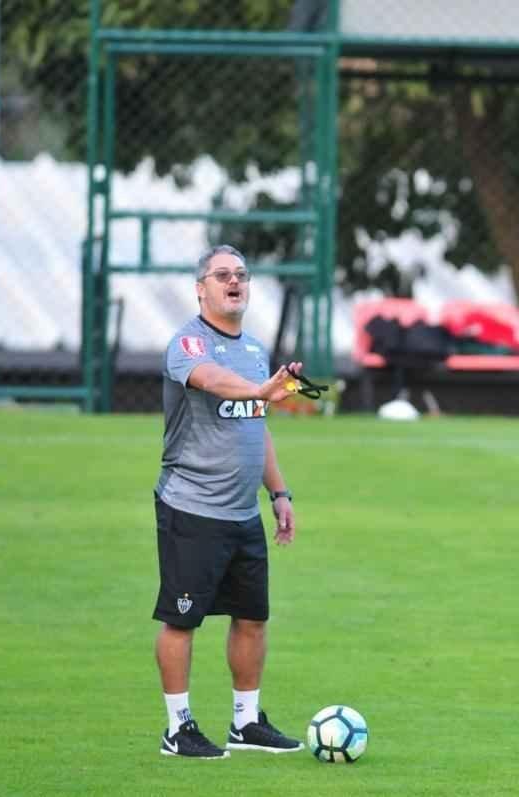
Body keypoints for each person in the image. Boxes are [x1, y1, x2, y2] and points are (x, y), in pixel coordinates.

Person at [152, 244, 304, 759]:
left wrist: (278, 492)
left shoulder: (256, 351)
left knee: (252, 617)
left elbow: (255, 429)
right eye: (222, 275)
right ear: (201, 288)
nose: (233, 282)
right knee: (181, 619)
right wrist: (262, 390)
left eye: (240, 274)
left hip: (242, 513)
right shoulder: (188, 344)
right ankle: (178, 728)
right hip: (193, 508)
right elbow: (213, 383)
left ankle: (246, 722)